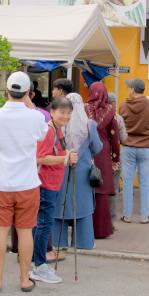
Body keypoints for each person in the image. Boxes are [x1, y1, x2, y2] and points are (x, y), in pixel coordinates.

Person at [0, 71, 49, 293]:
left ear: (6, 91)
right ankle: (24, 279)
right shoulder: (36, 117)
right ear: (28, 92)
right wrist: (29, 104)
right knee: (25, 231)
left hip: (1, 182)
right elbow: (41, 134)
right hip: (28, 183)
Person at [31, 96, 76, 284]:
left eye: (68, 113)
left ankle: (36, 263)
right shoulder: (49, 131)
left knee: (43, 224)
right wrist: (64, 159)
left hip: (52, 183)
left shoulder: (58, 130)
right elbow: (40, 157)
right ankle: (38, 265)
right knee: (43, 224)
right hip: (45, 184)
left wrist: (67, 155)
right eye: (62, 112)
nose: (65, 116)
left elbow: (55, 153)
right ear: (52, 112)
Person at [53, 93, 102, 248]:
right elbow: (97, 147)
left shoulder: (58, 124)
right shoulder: (90, 125)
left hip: (60, 170)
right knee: (82, 206)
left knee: (59, 205)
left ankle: (58, 242)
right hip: (83, 172)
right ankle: (83, 242)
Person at [119, 79, 149, 223]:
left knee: (127, 182)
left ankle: (127, 216)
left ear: (133, 90)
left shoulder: (123, 106)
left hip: (128, 147)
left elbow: (121, 127)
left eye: (129, 87)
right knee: (145, 182)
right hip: (146, 147)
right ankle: (144, 216)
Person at [85, 82, 120, 238]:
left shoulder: (84, 109)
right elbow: (115, 138)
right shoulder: (111, 111)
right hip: (103, 152)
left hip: (87, 152)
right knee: (102, 191)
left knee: (87, 189)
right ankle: (102, 229)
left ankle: (86, 229)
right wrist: (115, 159)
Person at [107, 92, 127, 225]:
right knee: (113, 189)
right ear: (113, 103)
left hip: (97, 158)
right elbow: (124, 139)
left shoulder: (93, 115)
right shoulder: (117, 118)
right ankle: (111, 221)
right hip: (114, 158)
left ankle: (96, 220)